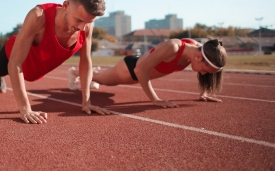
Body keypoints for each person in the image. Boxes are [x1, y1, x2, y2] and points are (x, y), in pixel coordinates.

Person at [0, 0, 111, 124]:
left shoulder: (86, 25)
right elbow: (15, 63)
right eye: (78, 20)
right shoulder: (39, 16)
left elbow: (85, 61)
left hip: (36, 70)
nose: (82, 28)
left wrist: (86, 102)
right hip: (16, 55)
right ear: (65, 6)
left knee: (13, 74)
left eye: (88, 22)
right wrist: (25, 109)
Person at [67, 38, 227, 108]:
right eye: (206, 70)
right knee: (102, 81)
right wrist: (155, 100)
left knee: (101, 80)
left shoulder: (198, 50)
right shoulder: (173, 47)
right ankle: (74, 73)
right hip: (130, 69)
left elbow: (205, 70)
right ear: (199, 57)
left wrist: (204, 93)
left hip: (140, 73)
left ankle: (92, 73)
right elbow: (140, 70)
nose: (205, 74)